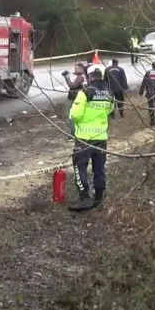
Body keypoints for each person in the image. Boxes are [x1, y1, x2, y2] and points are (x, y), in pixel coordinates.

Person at [69, 68, 114, 210]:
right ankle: (99, 197)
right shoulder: (109, 94)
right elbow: (110, 111)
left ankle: (84, 198)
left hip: (84, 138)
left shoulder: (85, 93)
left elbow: (75, 115)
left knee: (79, 167)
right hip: (101, 138)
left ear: (89, 78)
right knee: (99, 169)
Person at [62, 64, 86, 138]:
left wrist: (66, 77)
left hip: (76, 99)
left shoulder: (81, 77)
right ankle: (76, 133)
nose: (75, 69)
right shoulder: (80, 76)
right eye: (75, 68)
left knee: (72, 117)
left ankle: (73, 135)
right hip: (76, 98)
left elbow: (72, 86)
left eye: (77, 68)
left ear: (81, 69)